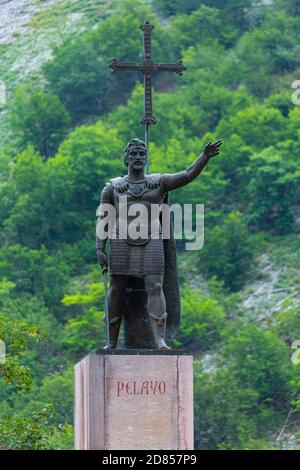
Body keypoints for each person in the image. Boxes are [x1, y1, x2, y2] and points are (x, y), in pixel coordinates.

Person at [96, 138, 222, 349]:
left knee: (155, 286)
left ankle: (159, 340)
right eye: (134, 154)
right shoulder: (113, 187)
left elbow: (187, 175)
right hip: (120, 241)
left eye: (142, 154)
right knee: (116, 289)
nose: (138, 157)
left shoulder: (158, 182)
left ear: (146, 158)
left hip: (152, 239)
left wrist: (204, 157)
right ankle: (111, 342)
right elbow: (104, 218)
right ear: (126, 157)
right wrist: (100, 247)